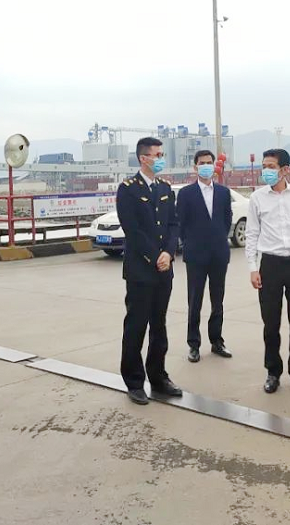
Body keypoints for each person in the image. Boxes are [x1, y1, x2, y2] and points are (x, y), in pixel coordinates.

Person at [245, 148, 290, 394]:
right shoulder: (257, 198)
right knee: (271, 323)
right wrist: (253, 268)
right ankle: (272, 372)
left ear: (285, 169)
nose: (266, 171)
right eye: (264, 166)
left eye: (271, 166)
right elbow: (252, 234)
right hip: (270, 265)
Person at [116, 137, 182, 405]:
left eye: (162, 154)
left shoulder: (165, 187)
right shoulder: (128, 189)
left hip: (164, 269)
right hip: (141, 270)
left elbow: (173, 224)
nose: (161, 159)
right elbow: (132, 230)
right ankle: (134, 381)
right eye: (157, 155)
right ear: (143, 158)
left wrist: (168, 252)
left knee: (159, 325)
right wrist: (155, 257)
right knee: (136, 326)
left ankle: (158, 377)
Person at [177, 149, 234, 362]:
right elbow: (181, 224)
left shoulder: (223, 193)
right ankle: (194, 344)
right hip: (196, 255)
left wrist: (217, 239)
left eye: (209, 162)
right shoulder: (186, 194)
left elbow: (227, 220)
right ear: (195, 167)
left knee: (218, 300)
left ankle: (217, 341)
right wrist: (192, 243)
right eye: (202, 163)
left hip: (219, 254)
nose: (206, 166)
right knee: (195, 301)